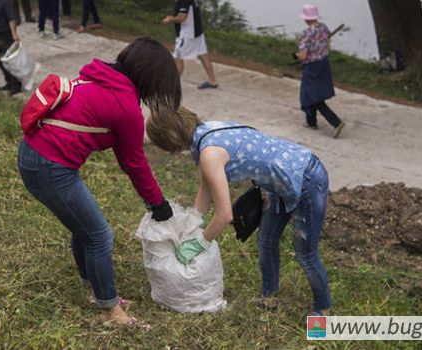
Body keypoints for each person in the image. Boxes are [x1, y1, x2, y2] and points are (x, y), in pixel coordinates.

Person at [17, 37, 181, 329]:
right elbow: (134, 163)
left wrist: (154, 201)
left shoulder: (100, 78)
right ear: (150, 78)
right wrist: (158, 204)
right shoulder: (126, 106)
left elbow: (124, 153)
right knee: (99, 235)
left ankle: (93, 287)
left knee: (85, 227)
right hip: (49, 166)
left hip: (33, 154)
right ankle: (111, 311)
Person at [146, 107, 333, 317]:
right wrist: (189, 224)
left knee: (305, 254)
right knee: (266, 242)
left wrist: (198, 243)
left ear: (171, 140)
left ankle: (323, 311)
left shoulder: (210, 153)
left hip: (306, 178)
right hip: (280, 183)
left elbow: (224, 215)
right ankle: (269, 300)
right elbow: (204, 193)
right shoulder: (208, 133)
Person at [295, 4, 345, 138]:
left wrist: (296, 55)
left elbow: (303, 55)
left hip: (311, 67)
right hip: (323, 64)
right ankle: (311, 122)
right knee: (315, 94)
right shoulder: (324, 28)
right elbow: (328, 45)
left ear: (306, 18)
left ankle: (336, 122)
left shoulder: (306, 34)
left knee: (310, 96)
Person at [162, 0, 218, 90]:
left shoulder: (183, 1)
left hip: (188, 34)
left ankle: (171, 86)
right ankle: (213, 81)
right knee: (204, 56)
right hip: (198, 33)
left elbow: (182, 17)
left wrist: (170, 19)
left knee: (178, 59)